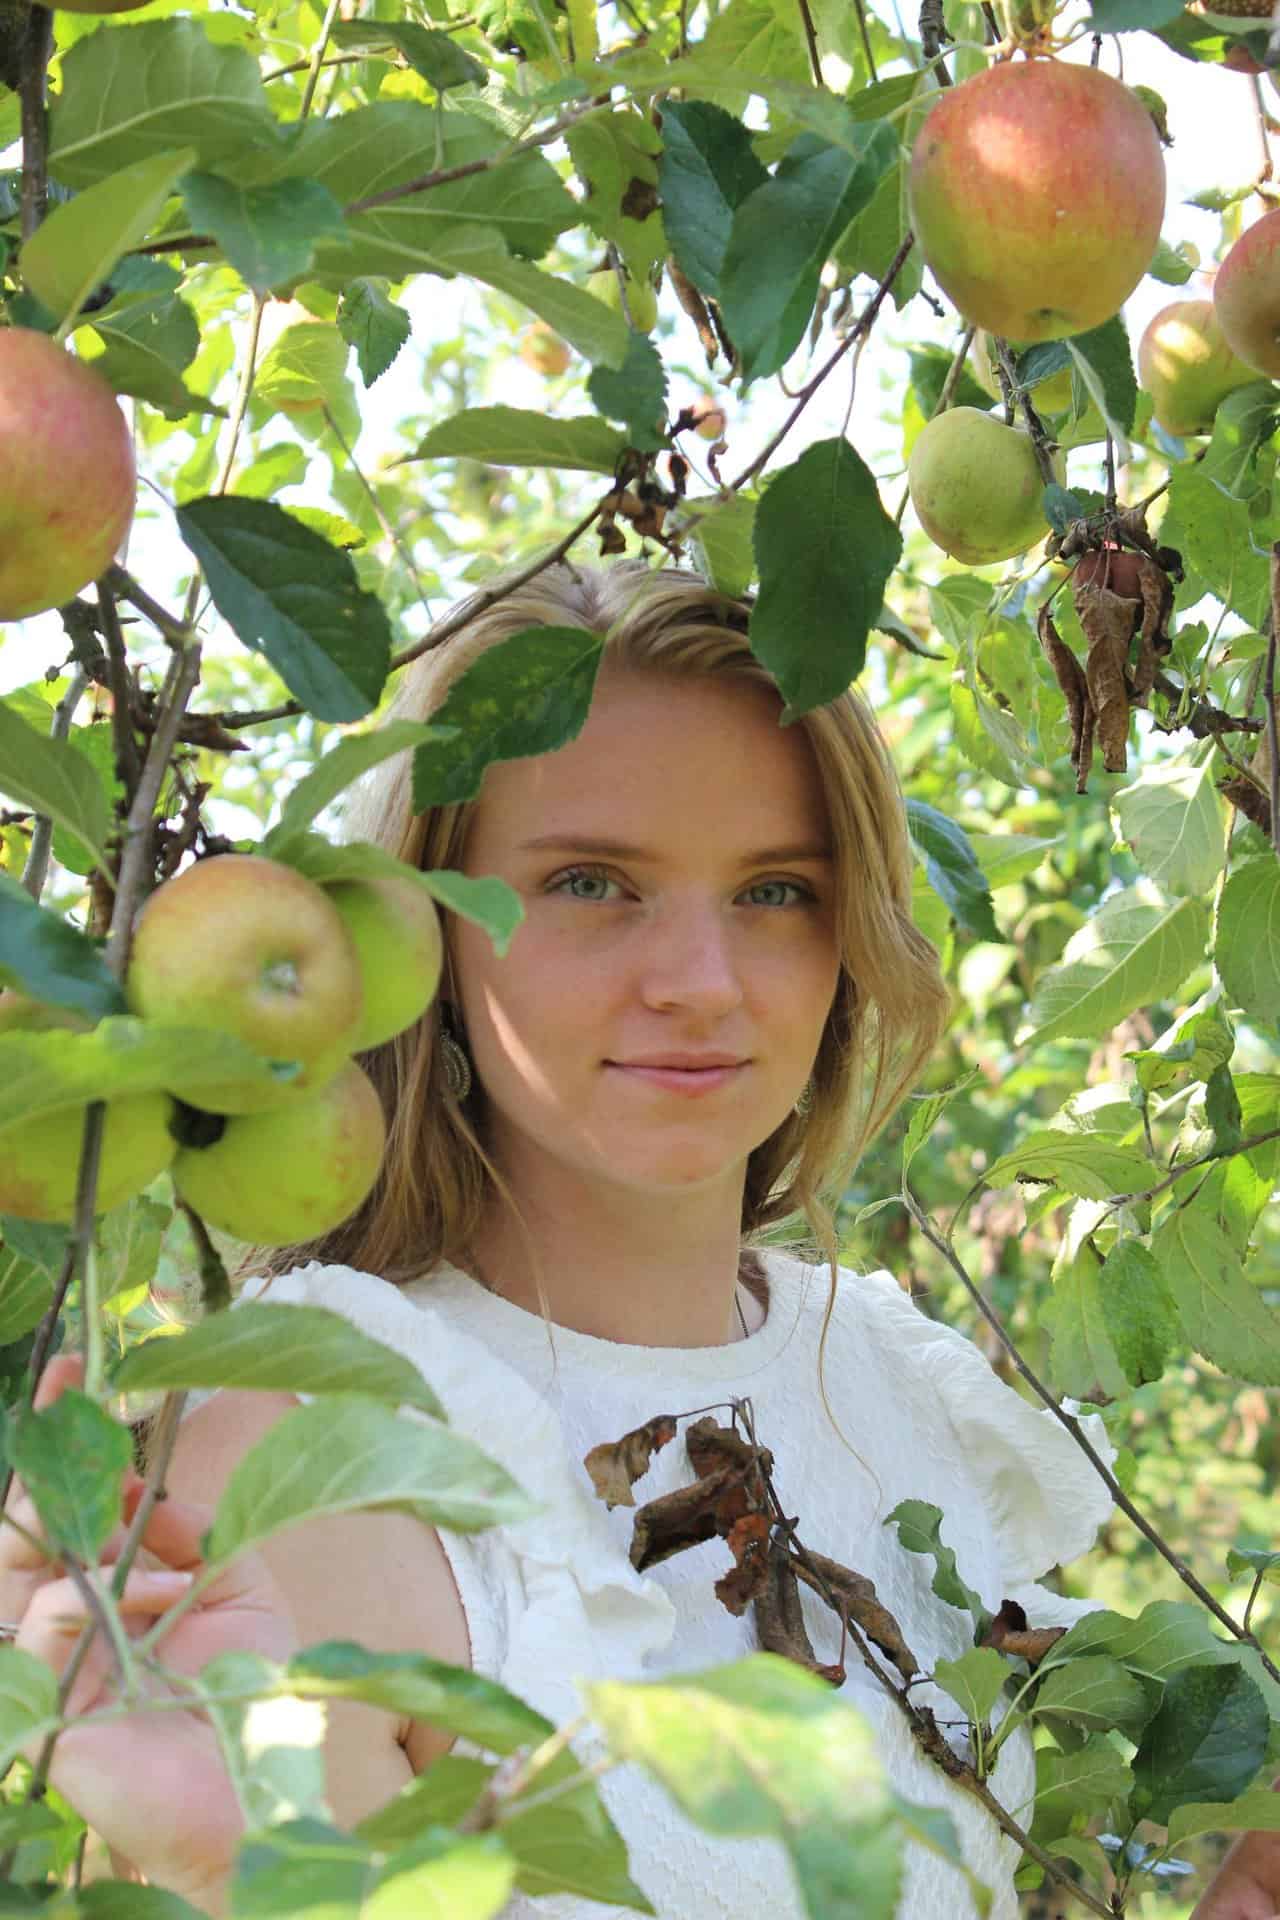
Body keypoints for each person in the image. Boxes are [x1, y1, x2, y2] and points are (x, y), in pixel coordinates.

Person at [0, 560, 1269, 1918]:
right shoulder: (314, 1465)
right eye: (592, 882)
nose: (701, 985)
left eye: (775, 891)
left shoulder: (886, 1375)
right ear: (429, 931)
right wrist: (224, 1869)